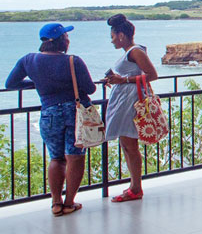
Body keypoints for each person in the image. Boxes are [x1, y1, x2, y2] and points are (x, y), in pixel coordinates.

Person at [5, 23, 95, 216]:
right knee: (75, 157)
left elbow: (10, 83)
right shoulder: (73, 61)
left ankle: (56, 203)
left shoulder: (29, 60)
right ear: (62, 40)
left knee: (56, 158)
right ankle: (69, 202)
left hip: (49, 113)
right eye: (66, 36)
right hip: (74, 113)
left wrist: (38, 84)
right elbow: (90, 88)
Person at [103, 14, 158, 203]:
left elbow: (152, 74)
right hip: (125, 100)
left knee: (129, 145)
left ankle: (135, 188)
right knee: (126, 144)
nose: (111, 41)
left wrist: (122, 80)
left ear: (121, 36)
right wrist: (116, 79)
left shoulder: (135, 51)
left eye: (112, 36)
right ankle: (134, 186)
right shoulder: (132, 51)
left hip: (129, 102)